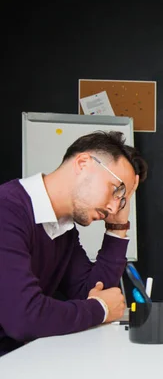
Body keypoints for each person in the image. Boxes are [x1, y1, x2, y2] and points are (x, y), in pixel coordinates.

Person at [0, 131, 147, 356]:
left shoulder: (64, 228)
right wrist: (100, 309)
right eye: (115, 190)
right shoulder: (7, 210)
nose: (114, 209)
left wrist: (117, 227)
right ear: (83, 163)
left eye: (122, 200)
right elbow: (24, 317)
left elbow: (89, 293)